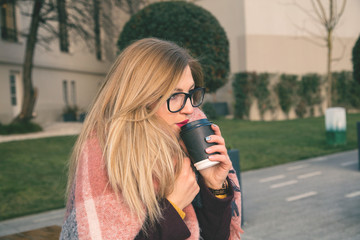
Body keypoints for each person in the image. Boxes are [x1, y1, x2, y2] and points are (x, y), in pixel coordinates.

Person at [60, 38, 243, 240]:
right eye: (174, 95)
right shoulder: (104, 157)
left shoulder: (184, 147)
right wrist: (173, 207)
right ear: (140, 97)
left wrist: (215, 186)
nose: (190, 109)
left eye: (190, 93)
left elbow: (214, 237)